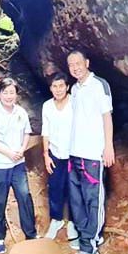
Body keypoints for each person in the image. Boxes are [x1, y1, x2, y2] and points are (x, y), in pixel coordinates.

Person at [66, 50, 114, 254]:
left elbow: (106, 117)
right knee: (77, 199)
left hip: (93, 154)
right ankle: (89, 234)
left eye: (78, 63)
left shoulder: (99, 85)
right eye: (71, 65)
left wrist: (108, 147)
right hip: (74, 153)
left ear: (86, 62)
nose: (75, 67)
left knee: (93, 199)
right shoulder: (75, 89)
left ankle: (90, 246)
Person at [0, 76, 36, 254]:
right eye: (5, 92)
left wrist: (22, 148)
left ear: (16, 94)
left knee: (24, 196)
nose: (9, 96)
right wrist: (8, 152)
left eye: (12, 92)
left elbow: (27, 133)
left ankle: (31, 234)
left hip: (17, 164)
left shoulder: (20, 112)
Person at [41, 71, 78, 242]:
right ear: (50, 88)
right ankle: (56, 220)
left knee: (72, 188)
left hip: (73, 153)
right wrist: (46, 154)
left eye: (61, 86)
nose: (58, 90)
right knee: (55, 187)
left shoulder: (75, 103)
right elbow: (45, 131)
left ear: (67, 87)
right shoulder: (47, 106)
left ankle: (72, 221)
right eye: (54, 86)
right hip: (55, 153)